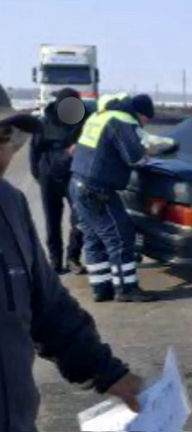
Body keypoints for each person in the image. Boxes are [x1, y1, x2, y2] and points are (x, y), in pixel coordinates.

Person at [0, 84, 142, 430]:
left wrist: (107, 373)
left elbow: (49, 307)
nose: (3, 153)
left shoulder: (10, 204)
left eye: (4, 135)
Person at [70, 93, 158, 303]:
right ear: (140, 113)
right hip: (97, 190)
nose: (144, 125)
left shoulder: (100, 116)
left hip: (77, 184)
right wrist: (148, 152)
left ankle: (101, 287)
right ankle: (126, 288)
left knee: (94, 237)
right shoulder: (123, 121)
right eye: (146, 120)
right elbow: (134, 158)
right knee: (120, 236)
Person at [29, 87, 88, 274]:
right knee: (52, 221)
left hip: (74, 177)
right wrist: (40, 175)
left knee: (80, 219)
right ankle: (55, 261)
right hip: (49, 177)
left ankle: (73, 258)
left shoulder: (85, 122)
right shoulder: (46, 122)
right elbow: (34, 152)